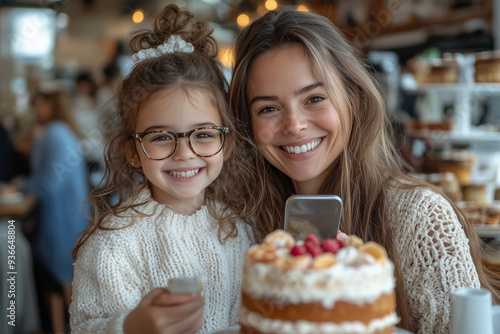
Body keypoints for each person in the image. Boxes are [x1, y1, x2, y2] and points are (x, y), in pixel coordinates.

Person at [228, 7, 500, 334]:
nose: (295, 125)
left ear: (354, 100)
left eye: (314, 98)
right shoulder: (244, 222)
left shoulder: (422, 218)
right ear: (248, 123)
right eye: (268, 108)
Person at [69, 5, 254, 334]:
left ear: (226, 144)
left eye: (203, 134)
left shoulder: (242, 227)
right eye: (160, 137)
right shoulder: (112, 248)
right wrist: (130, 327)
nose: (184, 153)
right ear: (133, 151)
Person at [15, 88, 90, 334]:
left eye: (38, 103)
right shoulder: (62, 132)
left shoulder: (55, 134)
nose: (35, 109)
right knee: (63, 280)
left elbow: (48, 183)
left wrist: (21, 184)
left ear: (49, 104)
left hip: (61, 219)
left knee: (56, 277)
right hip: (72, 216)